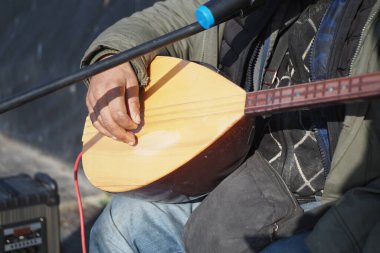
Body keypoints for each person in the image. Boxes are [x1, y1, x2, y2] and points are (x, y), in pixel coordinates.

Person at [81, 0, 380, 252]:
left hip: (329, 208)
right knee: (122, 224)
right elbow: (181, 14)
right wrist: (115, 60)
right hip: (235, 163)